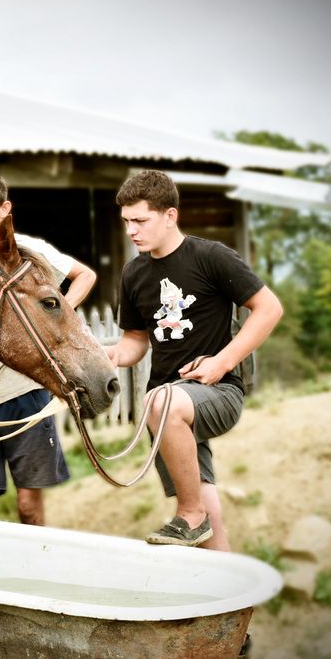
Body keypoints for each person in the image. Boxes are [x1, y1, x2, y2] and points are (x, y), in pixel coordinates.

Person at [105, 169, 283, 550]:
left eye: (140, 220)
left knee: (193, 512)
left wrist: (221, 362)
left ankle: (190, 515)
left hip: (216, 391)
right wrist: (112, 356)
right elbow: (135, 341)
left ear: (170, 215)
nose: (131, 231)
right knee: (208, 503)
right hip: (167, 406)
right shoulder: (133, 273)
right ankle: (228, 598)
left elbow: (269, 309)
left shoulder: (211, 257)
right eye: (126, 222)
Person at [0, 166, 96, 525]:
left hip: (26, 395)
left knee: (29, 507)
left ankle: (37, 569)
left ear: (4, 210)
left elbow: (85, 275)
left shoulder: (28, 251)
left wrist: (55, 319)